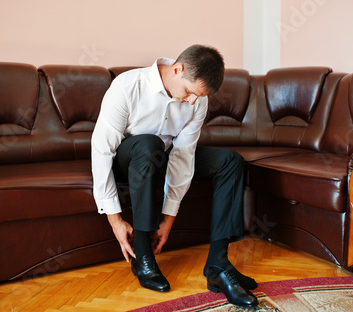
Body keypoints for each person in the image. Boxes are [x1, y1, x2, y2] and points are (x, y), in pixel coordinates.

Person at [91, 44, 258, 307]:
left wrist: (169, 217)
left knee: (230, 161)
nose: (192, 100)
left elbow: (183, 155)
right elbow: (101, 151)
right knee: (149, 144)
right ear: (177, 70)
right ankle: (143, 256)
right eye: (190, 92)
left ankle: (218, 264)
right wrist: (115, 220)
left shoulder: (197, 100)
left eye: (198, 96)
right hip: (130, 157)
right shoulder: (127, 86)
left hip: (163, 156)